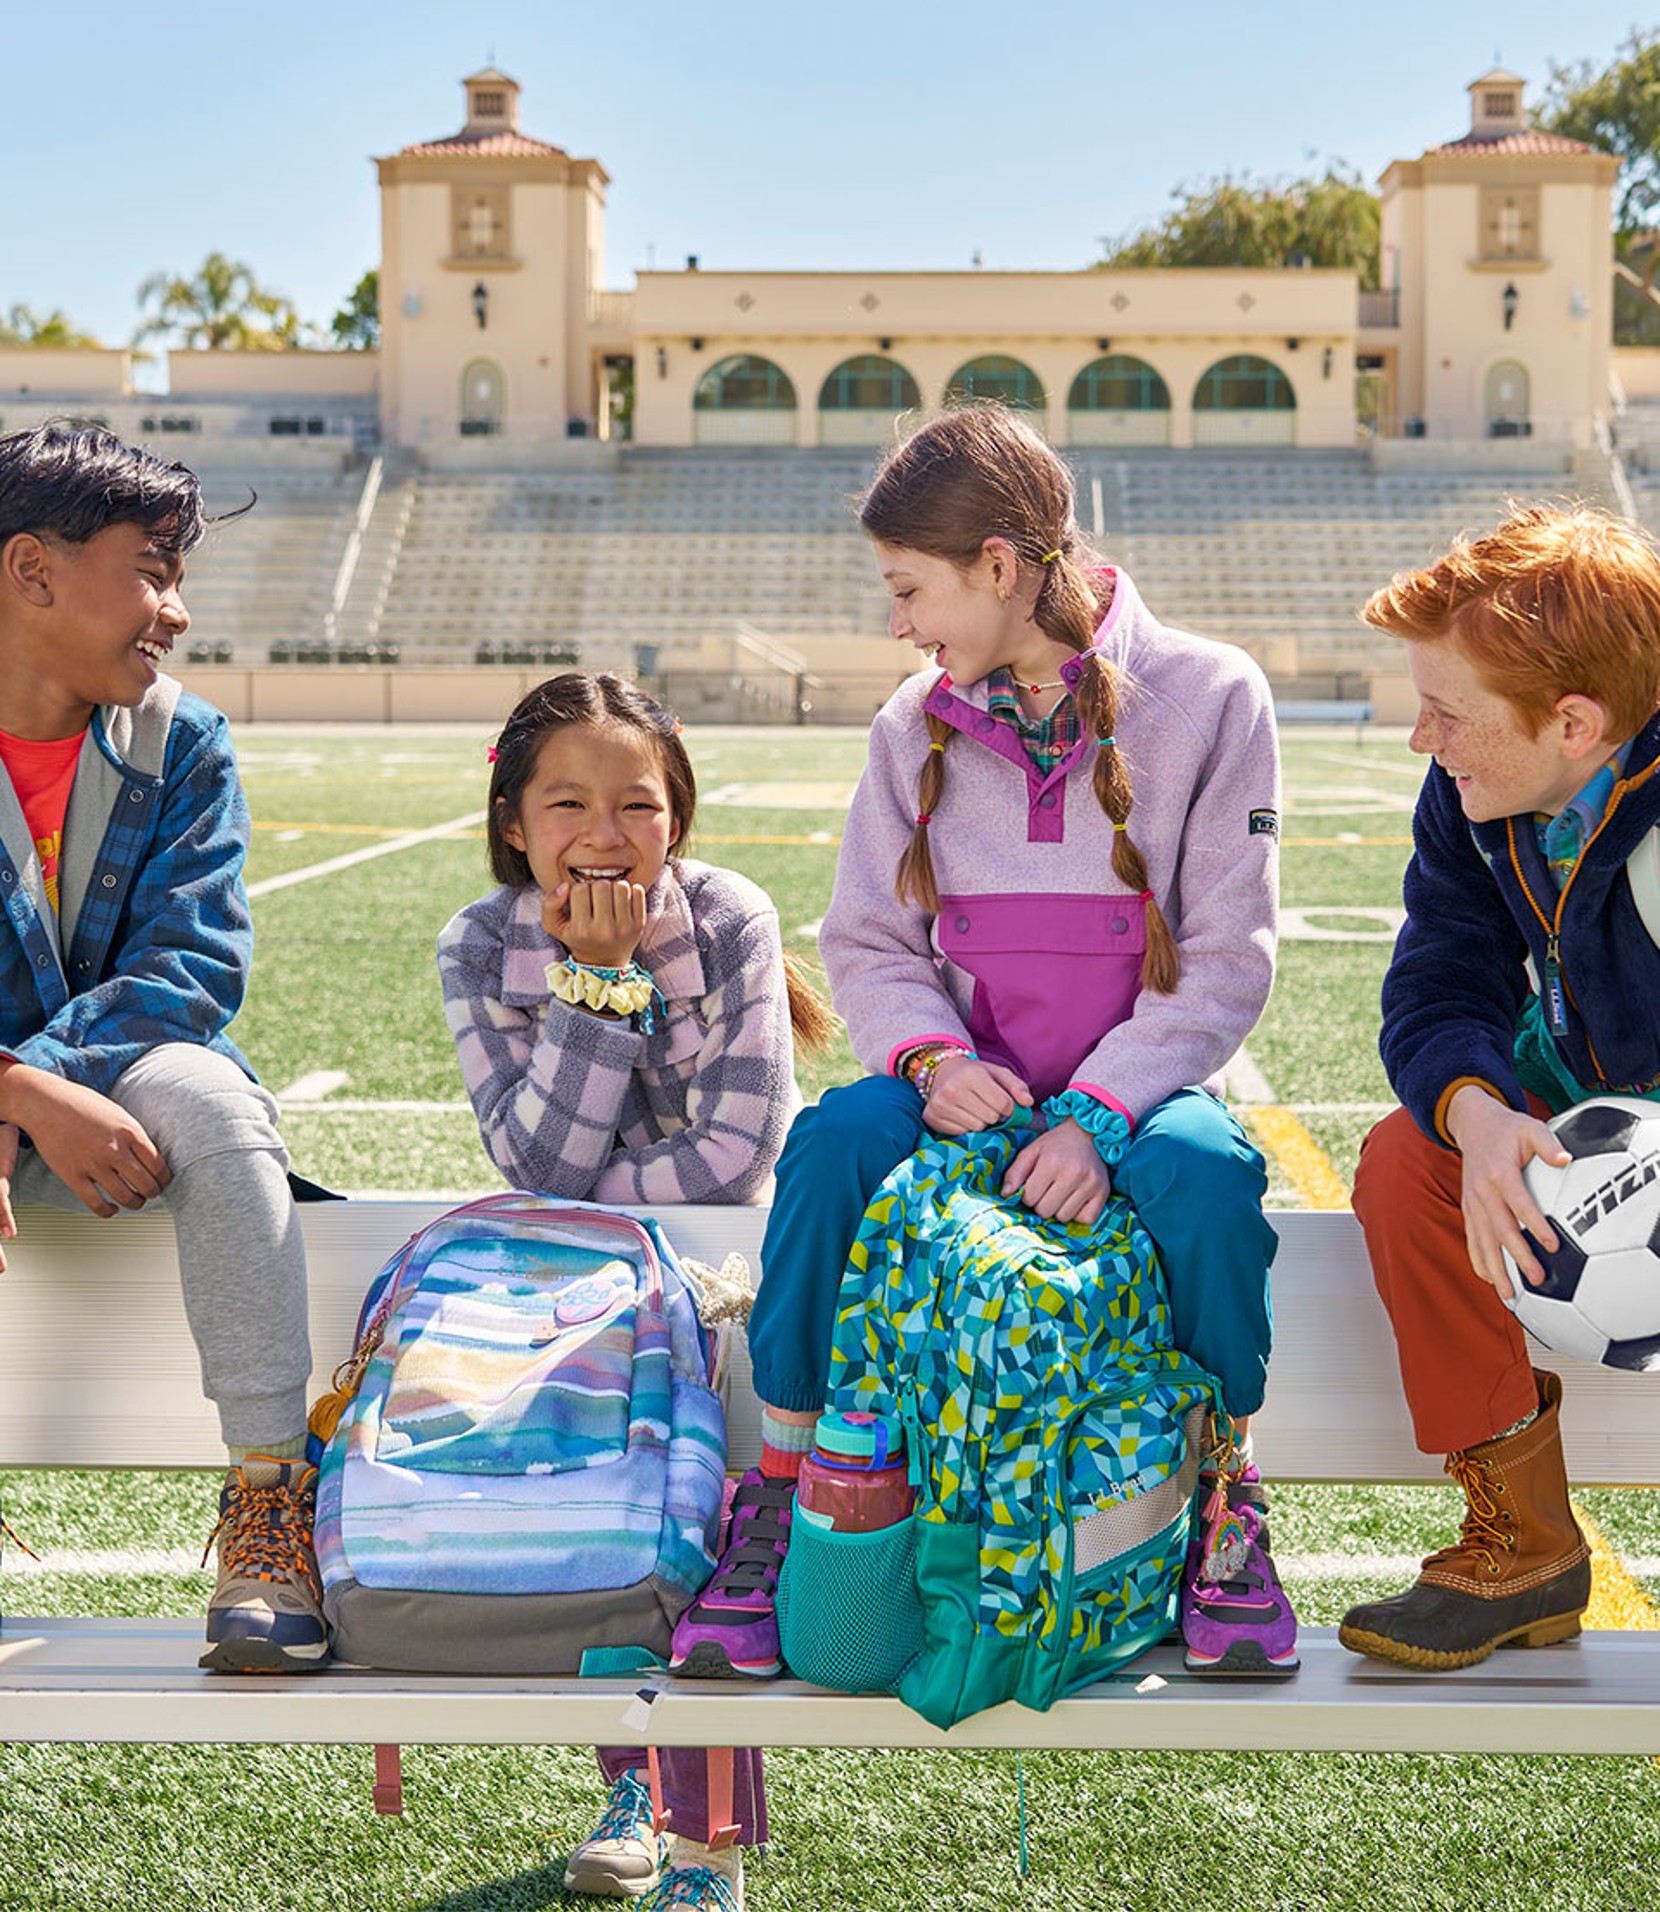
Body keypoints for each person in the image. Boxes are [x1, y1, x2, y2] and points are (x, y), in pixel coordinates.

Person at [670, 404, 1298, 1686]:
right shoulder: (910, 726)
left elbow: (1229, 960)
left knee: (1214, 1183)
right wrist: (929, 1064)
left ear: (1000, 569)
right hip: (963, 1092)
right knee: (835, 1142)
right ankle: (781, 1487)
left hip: (1134, 1096)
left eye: (911, 588)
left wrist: (1104, 1114)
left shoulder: (1211, 695)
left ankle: (1226, 1494)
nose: (899, 623)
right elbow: (869, 942)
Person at [439, 671, 834, 1911]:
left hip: (735, 1293)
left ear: (680, 816)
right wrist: (595, 983)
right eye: (567, 803)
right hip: (583, 1302)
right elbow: (535, 1169)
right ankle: (632, 1782)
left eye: (640, 805)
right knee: (609, 1527)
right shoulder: (477, 943)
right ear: (514, 820)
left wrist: (601, 1179)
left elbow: (737, 1160)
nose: (605, 835)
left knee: (716, 1546)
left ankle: (707, 1843)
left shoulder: (728, 920)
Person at [0, 421, 325, 1674]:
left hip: (118, 1078)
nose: (177, 612)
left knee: (214, 1098)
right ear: (32, 570)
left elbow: (191, 969)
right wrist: (13, 1084)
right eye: (152, 569)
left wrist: (38, 1085)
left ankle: (265, 1503)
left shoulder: (179, 739)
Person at [1341, 504, 1660, 1670]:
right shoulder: (1470, 795)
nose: (1423, 737)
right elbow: (1436, 980)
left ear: (1574, 721)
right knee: (1403, 1164)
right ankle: (1524, 1541)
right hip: (1578, 1071)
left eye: (1448, 712)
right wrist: (1477, 1117)